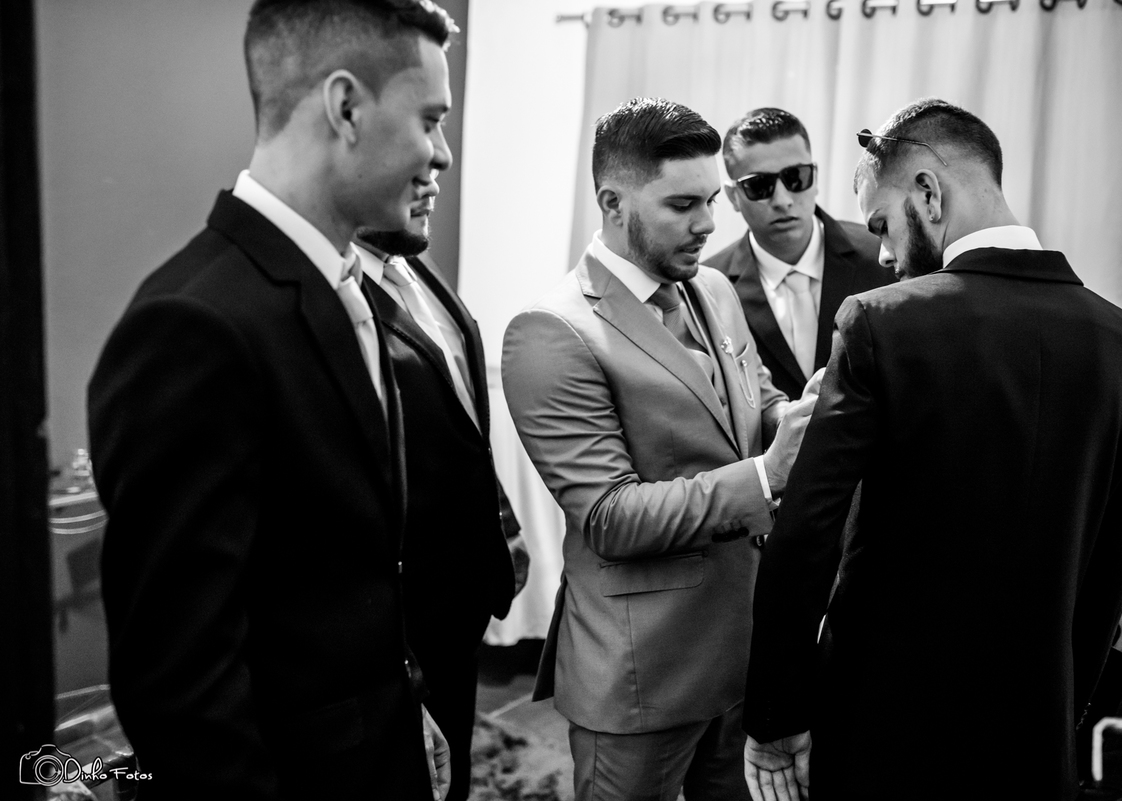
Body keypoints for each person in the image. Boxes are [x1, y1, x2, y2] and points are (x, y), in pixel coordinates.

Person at [741, 98, 1122, 801]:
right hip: (1035, 739)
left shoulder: (880, 324)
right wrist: (1062, 715)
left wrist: (775, 718)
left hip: (879, 728)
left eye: (882, 224)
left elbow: (806, 535)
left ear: (929, 194)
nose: (883, 254)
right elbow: (1108, 568)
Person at [87, 2, 458, 799]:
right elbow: (180, 692)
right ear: (346, 107)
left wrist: (403, 703)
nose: (442, 152)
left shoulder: (348, 290)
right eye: (430, 120)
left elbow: (346, 574)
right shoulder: (192, 326)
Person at [502, 97, 817, 801]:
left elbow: (754, 405)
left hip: (744, 653)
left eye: (711, 201)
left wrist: (802, 417)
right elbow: (610, 516)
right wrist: (767, 475)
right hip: (641, 678)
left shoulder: (714, 287)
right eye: (682, 204)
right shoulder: (552, 331)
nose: (708, 223)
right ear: (613, 203)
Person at [353, 170, 530, 801]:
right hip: (402, 612)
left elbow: (461, 421)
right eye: (418, 162)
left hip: (460, 598)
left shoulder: (413, 268)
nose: (435, 180)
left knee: (451, 765)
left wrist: (501, 529)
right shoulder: (336, 300)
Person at [706, 108, 894, 400]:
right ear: (733, 197)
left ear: (814, 177)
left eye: (795, 177)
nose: (782, 200)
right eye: (759, 185)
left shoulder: (886, 258)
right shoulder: (708, 288)